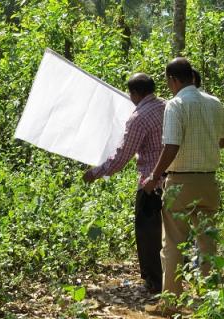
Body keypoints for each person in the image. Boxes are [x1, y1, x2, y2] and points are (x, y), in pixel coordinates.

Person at [143, 58, 224, 314]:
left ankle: (170, 303)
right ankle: (211, 300)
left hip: (180, 182)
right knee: (207, 242)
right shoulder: (214, 103)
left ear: (173, 79)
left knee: (173, 243)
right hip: (208, 181)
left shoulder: (176, 104)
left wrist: (154, 176)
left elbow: (171, 145)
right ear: (192, 77)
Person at [83, 73, 165, 293]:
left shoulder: (138, 117)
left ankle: (155, 282)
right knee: (170, 233)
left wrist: (96, 172)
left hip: (151, 183)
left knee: (148, 233)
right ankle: (173, 278)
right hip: (174, 179)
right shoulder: (166, 106)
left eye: (131, 94)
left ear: (136, 93)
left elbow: (122, 156)